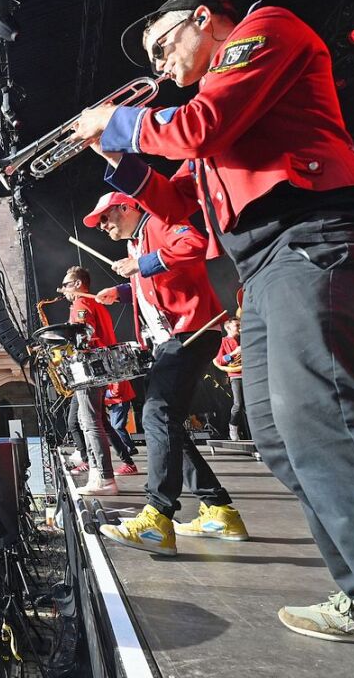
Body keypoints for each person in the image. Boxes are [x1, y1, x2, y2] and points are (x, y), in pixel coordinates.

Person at [70, 0, 354, 641]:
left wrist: (117, 121)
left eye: (163, 45)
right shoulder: (212, 113)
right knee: (277, 435)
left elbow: (197, 129)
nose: (159, 66)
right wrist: (115, 155)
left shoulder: (266, 31)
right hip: (264, 270)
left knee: (322, 423)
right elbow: (176, 206)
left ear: (204, 20)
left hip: (306, 238)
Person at [83, 192, 247, 555]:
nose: (104, 226)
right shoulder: (136, 244)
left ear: (127, 206)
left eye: (107, 217)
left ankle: (158, 518)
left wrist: (143, 264)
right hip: (171, 339)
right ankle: (219, 509)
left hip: (191, 332)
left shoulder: (159, 220)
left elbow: (194, 244)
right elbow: (156, 282)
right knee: (167, 422)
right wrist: (122, 292)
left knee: (156, 414)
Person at [59, 266, 122, 496]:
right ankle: (98, 473)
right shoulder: (96, 302)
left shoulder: (80, 304)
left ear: (77, 284)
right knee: (88, 421)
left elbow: (84, 338)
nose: (63, 290)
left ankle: (104, 478)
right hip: (101, 366)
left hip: (89, 368)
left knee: (91, 423)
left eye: (65, 285)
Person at [213, 318, 246, 440]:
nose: (239, 327)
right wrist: (233, 353)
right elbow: (219, 360)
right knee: (238, 403)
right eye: (237, 325)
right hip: (236, 376)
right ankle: (233, 426)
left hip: (248, 373)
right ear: (228, 328)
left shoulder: (243, 339)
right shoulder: (223, 341)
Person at [105, 380, 139, 462]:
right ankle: (129, 447)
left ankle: (129, 447)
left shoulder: (113, 373)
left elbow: (116, 391)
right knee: (117, 426)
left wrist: (105, 393)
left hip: (119, 401)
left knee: (117, 426)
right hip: (118, 401)